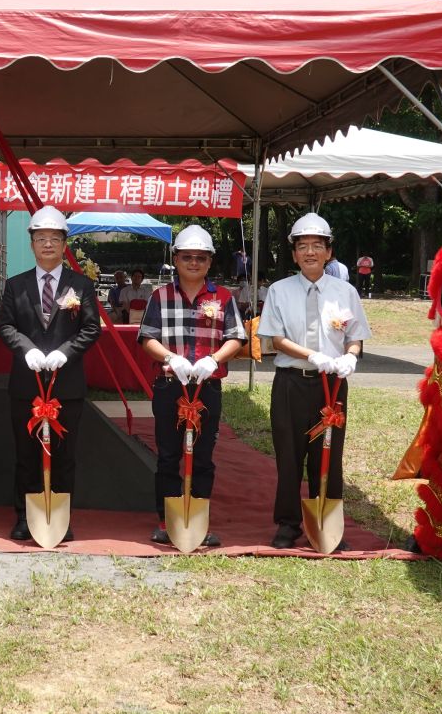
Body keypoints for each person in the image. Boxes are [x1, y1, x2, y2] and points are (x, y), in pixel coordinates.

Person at [257, 212, 370, 552]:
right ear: (293, 254)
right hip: (292, 382)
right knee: (288, 455)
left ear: (328, 252)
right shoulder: (279, 290)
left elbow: (355, 335)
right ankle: (289, 524)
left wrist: (350, 355)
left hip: (332, 385)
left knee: (328, 455)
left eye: (316, 246)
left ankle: (326, 520)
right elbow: (275, 338)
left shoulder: (345, 291)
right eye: (302, 246)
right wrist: (311, 356)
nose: (309, 252)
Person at [138, 224, 246, 546]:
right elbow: (147, 338)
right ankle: (166, 520)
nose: (194, 263)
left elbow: (236, 338)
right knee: (169, 455)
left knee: (202, 456)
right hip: (170, 384)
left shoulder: (223, 297)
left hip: (206, 386)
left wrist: (214, 359)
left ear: (210, 261)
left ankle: (199, 521)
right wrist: (171, 357)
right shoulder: (160, 296)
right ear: (176, 259)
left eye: (201, 258)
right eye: (187, 257)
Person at [0, 205, 101, 541]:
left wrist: (63, 353)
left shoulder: (81, 285)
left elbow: (90, 328)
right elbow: (5, 325)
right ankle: (25, 517)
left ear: (63, 243)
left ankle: (59, 516)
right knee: (26, 454)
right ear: (31, 244)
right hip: (26, 384)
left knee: (64, 455)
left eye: (53, 239)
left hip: (66, 384)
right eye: (40, 238)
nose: (46, 244)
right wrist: (27, 349)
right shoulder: (15, 285)